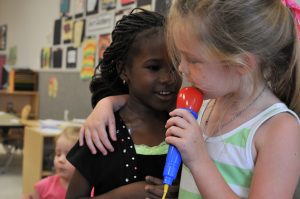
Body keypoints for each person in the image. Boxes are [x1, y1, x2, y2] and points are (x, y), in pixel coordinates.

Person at [79, 0, 300, 198]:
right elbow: (145, 106)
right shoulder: (205, 106)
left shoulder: (280, 130)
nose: (181, 69)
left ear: (240, 64)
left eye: (193, 60)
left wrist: (198, 160)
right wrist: (106, 104)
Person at [65, 8, 182, 199]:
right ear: (123, 70)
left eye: (175, 66)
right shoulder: (101, 133)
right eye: (154, 67)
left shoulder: (183, 125)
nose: (168, 78)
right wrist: (130, 194)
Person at [32, 126, 80, 199]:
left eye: (69, 156)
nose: (60, 160)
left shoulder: (93, 191)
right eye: (58, 154)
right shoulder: (42, 187)